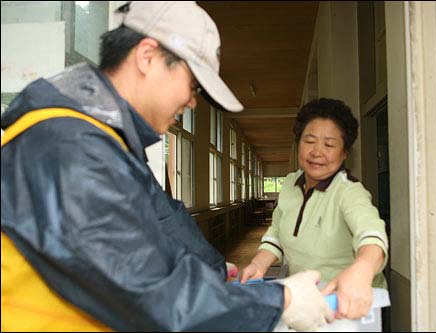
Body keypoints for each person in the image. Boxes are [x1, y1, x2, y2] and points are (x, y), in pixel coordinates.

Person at [0, 2, 333, 331]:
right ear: (147, 57)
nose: (191, 101)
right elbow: (143, 290)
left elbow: (165, 220)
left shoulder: (108, 141)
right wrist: (280, 300)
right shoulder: (68, 143)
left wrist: (217, 274)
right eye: (192, 85)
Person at [241, 98, 389, 320]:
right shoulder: (291, 184)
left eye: (329, 145)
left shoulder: (349, 192)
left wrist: (362, 270)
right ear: (298, 143)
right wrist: (258, 264)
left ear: (345, 153)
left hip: (348, 305)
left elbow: (372, 236)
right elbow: (277, 234)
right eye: (309, 141)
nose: (317, 152)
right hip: (306, 301)